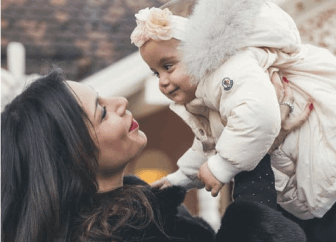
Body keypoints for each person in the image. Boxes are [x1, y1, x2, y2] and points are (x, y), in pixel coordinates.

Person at [132, 0, 336, 241]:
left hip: (335, 166)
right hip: (319, 174)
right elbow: (209, 144)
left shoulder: (229, 71)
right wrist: (182, 177)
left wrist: (222, 167)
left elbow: (260, 117)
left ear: (199, 47)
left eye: (168, 66)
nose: (163, 81)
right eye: (156, 73)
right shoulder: (210, 97)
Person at [0, 69, 306, 242]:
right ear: (74, 157)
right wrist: (256, 169)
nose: (119, 101)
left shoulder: (150, 212)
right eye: (102, 112)